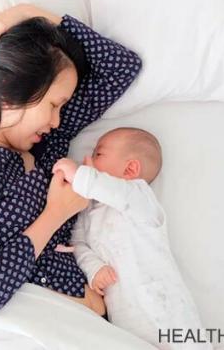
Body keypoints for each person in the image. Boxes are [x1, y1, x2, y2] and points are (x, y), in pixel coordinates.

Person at [0, 3, 142, 328]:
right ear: (11, 88)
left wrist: (30, 14)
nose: (58, 119)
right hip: (36, 329)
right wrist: (54, 215)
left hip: (99, 326)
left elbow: (121, 67)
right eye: (54, 104)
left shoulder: (48, 140)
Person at [53, 128, 209, 349]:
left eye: (98, 155)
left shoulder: (138, 196)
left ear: (130, 169)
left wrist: (79, 175)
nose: (87, 159)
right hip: (127, 324)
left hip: (167, 310)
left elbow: (114, 191)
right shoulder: (89, 210)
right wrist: (94, 268)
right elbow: (78, 243)